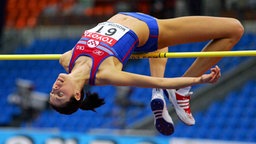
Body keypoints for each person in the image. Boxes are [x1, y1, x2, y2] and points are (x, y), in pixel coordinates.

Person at [49, 12, 243, 135]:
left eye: (53, 91)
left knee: (158, 49)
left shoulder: (66, 59)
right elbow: (151, 80)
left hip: (132, 21)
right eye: (60, 94)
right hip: (150, 30)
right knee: (234, 29)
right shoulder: (105, 74)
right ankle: (181, 89)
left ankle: (159, 95)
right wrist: (199, 79)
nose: (55, 88)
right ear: (76, 94)